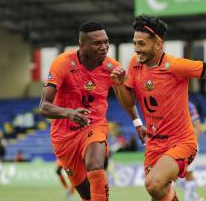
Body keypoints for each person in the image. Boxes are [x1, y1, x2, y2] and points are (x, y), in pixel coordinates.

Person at [111, 15, 206, 201]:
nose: (137, 49)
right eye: (135, 43)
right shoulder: (135, 64)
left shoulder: (176, 66)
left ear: (158, 44)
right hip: (154, 144)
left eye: (142, 44)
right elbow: (129, 104)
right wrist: (120, 85)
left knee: (153, 184)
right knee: (158, 193)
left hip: (181, 143)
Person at [39, 21, 143, 201]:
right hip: (64, 137)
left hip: (94, 126)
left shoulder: (111, 66)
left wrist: (137, 122)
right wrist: (70, 113)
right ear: (82, 45)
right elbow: (44, 107)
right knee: (88, 196)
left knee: (95, 164)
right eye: (97, 43)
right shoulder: (62, 63)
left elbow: (126, 100)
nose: (104, 47)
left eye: (106, 42)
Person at [176, 101, 204, 201]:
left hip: (188, 145)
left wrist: (188, 145)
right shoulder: (168, 102)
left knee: (188, 174)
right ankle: (194, 196)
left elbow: (199, 128)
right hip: (173, 146)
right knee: (171, 176)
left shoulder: (189, 106)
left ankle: (190, 198)